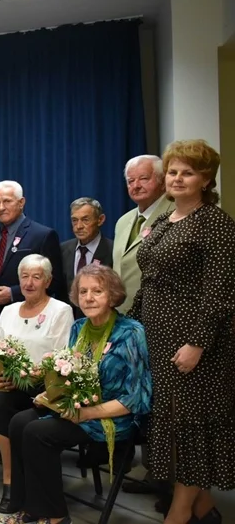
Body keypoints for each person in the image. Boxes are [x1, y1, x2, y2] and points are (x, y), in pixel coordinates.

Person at [130, 140, 235, 524]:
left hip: (195, 345)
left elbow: (220, 294)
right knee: (174, 425)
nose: (177, 178)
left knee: (190, 427)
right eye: (173, 171)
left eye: (187, 172)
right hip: (159, 340)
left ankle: (180, 512)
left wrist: (197, 344)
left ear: (205, 179)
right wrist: (128, 324)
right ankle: (204, 509)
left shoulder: (216, 224)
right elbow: (150, 281)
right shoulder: (163, 220)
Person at [2, 264, 151, 524]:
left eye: (97, 291)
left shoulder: (131, 332)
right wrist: (49, 396)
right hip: (77, 407)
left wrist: (87, 413)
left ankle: (56, 516)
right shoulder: (79, 327)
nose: (89, 298)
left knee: (38, 432)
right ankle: (30, 506)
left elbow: (137, 398)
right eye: (83, 292)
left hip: (114, 415)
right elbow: (69, 377)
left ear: (113, 295)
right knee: (18, 422)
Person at [0, 254, 73, 513]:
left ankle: (11, 478)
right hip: (4, 380)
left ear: (48, 281)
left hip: (39, 384)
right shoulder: (9, 310)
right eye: (25, 277)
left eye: (37, 277)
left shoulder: (60, 310)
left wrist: (23, 376)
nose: (29, 283)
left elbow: (61, 358)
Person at [0, 181, 66, 318]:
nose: (1, 207)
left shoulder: (43, 235)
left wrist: (13, 293)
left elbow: (54, 281)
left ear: (21, 202)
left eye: (7, 201)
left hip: (30, 315)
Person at [112, 155, 174, 314]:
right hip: (123, 315)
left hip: (162, 313)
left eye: (144, 178)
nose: (136, 186)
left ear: (162, 181)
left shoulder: (175, 214)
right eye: (130, 181)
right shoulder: (122, 221)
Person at [60, 198, 114, 319]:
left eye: (85, 220)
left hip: (102, 320)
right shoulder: (63, 249)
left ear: (100, 220)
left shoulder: (113, 250)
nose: (79, 226)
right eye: (74, 220)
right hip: (69, 321)